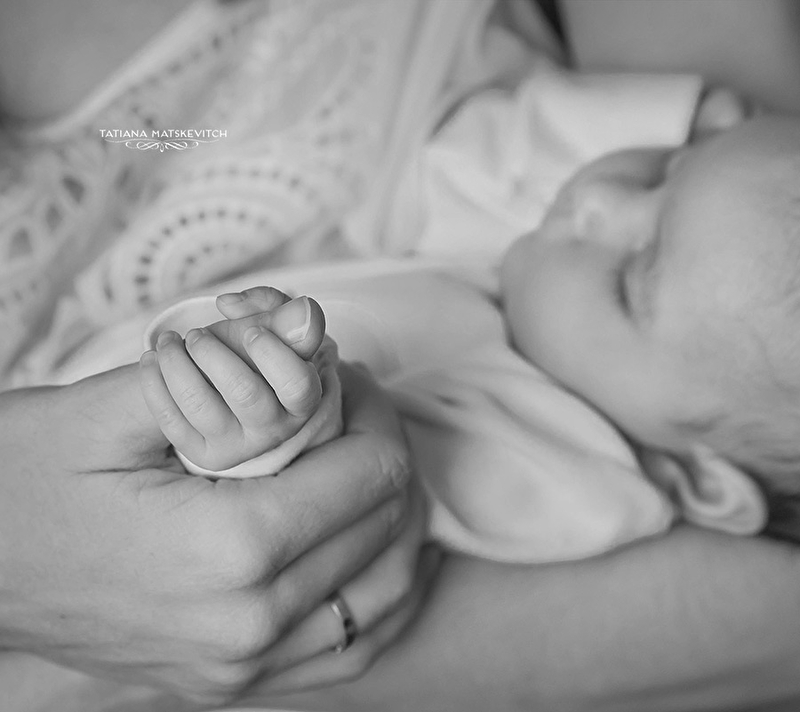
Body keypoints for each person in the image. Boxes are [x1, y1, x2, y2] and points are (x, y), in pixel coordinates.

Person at [3, 2, 800, 712]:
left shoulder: (566, 478)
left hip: (133, 446)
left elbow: (354, 506)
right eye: (666, 172)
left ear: (702, 479)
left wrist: (277, 426)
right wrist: (685, 119)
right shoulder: (575, 301)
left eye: (632, 278)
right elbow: (487, 149)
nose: (598, 201)